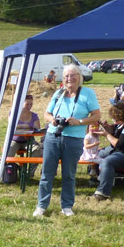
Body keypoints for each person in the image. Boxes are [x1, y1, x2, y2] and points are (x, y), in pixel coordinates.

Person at [34, 64, 100, 218]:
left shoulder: (87, 93)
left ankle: (67, 206)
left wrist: (80, 121)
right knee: (47, 173)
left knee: (69, 174)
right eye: (66, 76)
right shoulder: (58, 93)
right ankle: (41, 206)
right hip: (53, 136)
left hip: (73, 139)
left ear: (79, 77)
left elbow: (97, 116)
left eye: (72, 75)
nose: (69, 78)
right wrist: (53, 121)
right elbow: (47, 114)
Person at [6, 94, 42, 178]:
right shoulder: (13, 113)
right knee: (7, 154)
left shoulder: (34, 115)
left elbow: (37, 128)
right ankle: (8, 173)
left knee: (37, 150)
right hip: (15, 140)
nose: (29, 106)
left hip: (29, 140)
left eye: (31, 104)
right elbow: (11, 126)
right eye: (27, 104)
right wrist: (27, 126)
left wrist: (22, 126)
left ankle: (28, 173)